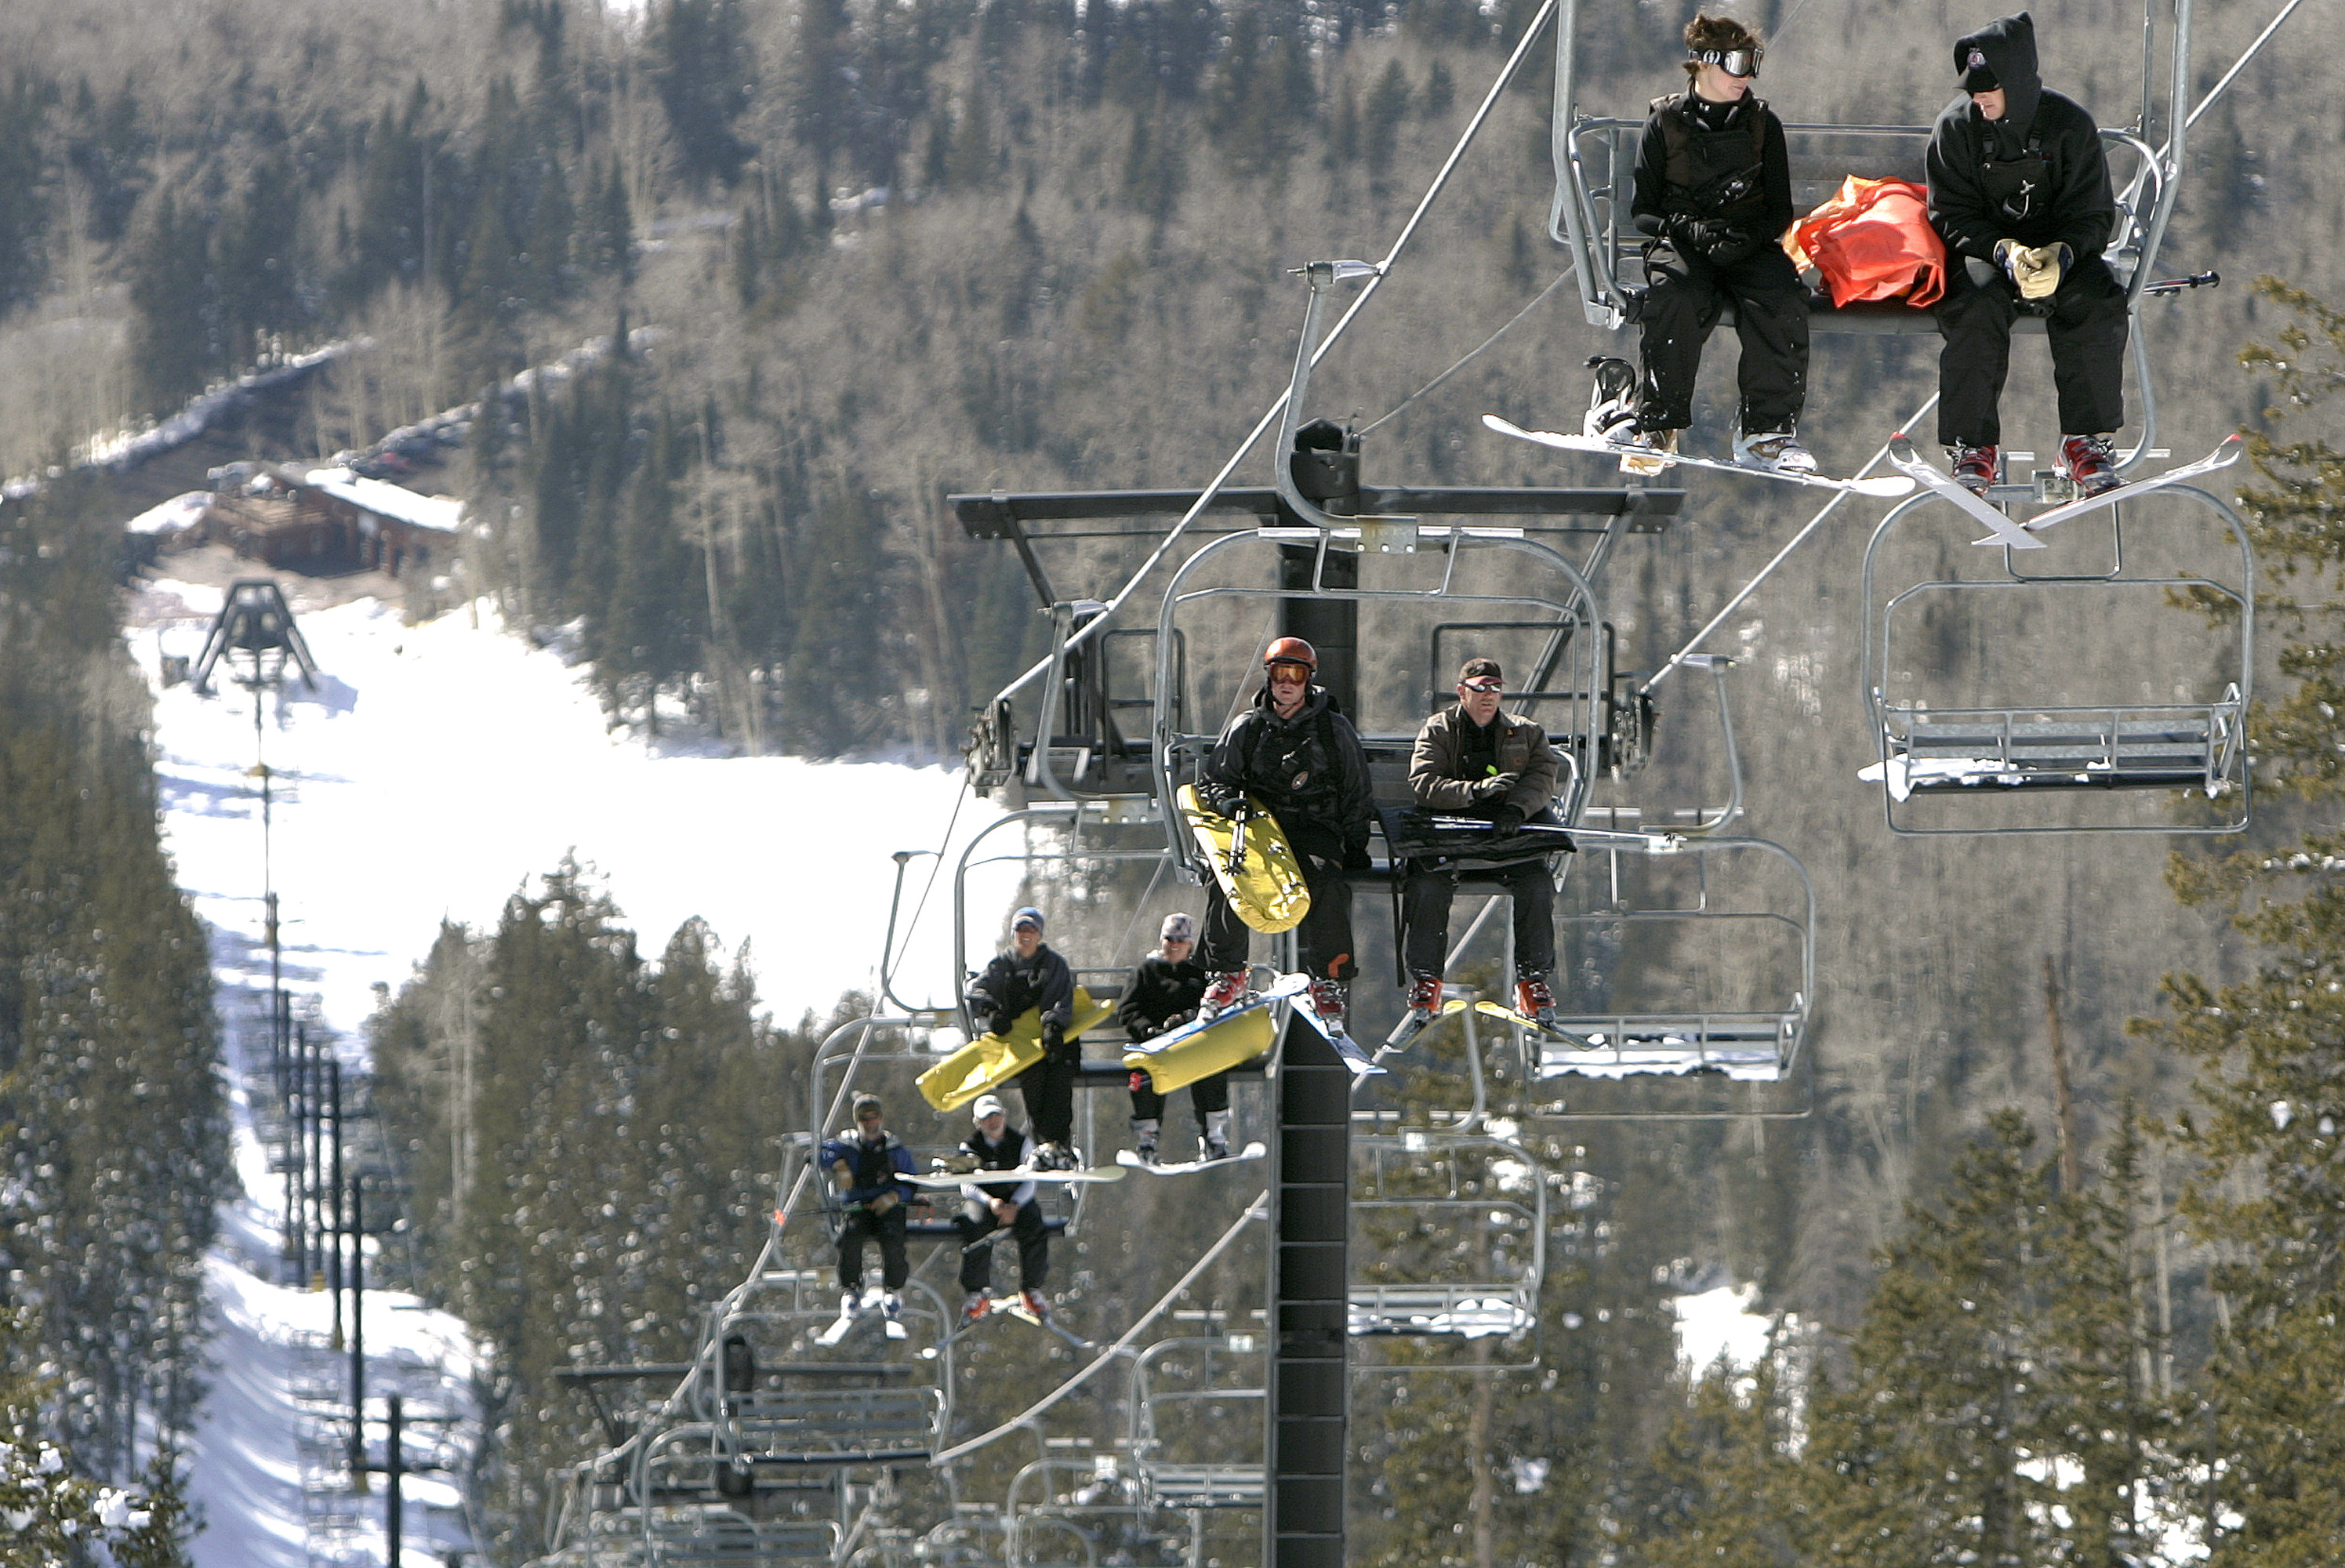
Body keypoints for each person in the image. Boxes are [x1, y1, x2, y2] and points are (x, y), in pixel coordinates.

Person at [1926, 12, 2128, 497]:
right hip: (1988, 254)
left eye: (1988, 88)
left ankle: (2084, 439)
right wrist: (2003, 250)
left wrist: (2063, 253)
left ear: (2015, 83)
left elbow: (2093, 212)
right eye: (1972, 89)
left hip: (2062, 253)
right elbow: (1949, 212)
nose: (1978, 97)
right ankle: (1972, 445)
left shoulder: (2069, 126)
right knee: (1974, 306)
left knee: (2097, 302)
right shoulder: (1956, 130)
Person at [1619, 13, 1813, 477]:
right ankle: (1659, 421)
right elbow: (1644, 210)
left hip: (1747, 241)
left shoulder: (1764, 126)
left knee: (1780, 298)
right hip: (1687, 241)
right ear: (1703, 64)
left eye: (1751, 66)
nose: (1744, 78)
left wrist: (1748, 237)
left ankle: (1766, 430)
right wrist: (1688, 228)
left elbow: (1779, 208)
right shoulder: (1665, 122)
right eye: (1735, 65)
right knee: (1676, 296)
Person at [1194, 637, 1374, 1035]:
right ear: (1270, 677)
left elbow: (1356, 789)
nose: (1287, 683)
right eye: (1280, 674)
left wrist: (1355, 843)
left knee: (1325, 883)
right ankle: (1227, 973)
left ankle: (1327, 979)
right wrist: (1227, 804)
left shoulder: (1333, 729)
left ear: (1308, 680)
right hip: (1262, 829)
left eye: (1296, 675)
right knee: (1226, 879)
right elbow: (1214, 781)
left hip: (1315, 828)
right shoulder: (1248, 728)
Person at [1401, 659, 1565, 1024]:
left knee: (1537, 884)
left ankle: (1532, 980)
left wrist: (1517, 810)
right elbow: (1424, 784)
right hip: (1450, 834)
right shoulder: (1439, 730)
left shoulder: (1526, 732)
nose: (1488, 696)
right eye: (1480, 688)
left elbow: (1542, 778)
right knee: (1427, 886)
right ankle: (1427, 980)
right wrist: (1474, 791)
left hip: (1505, 835)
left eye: (1495, 688)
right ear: (1462, 692)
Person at [966, 906, 1082, 1169]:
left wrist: (1053, 1026)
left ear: (1040, 935)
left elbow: (1063, 999)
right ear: (1014, 934)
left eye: (1032, 930)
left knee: (1060, 1086)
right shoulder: (1002, 965)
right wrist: (992, 1011)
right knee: (1034, 1085)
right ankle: (1044, 1144)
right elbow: (978, 991)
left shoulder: (1054, 964)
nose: (1026, 935)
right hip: (1021, 1045)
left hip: (1055, 1039)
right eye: (1021, 929)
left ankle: (1061, 1144)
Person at [1116, 913, 1231, 1163]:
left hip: (1191, 1044)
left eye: (1181, 939)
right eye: (1169, 939)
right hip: (1155, 1045)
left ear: (1190, 943)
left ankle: (1213, 1134)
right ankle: (1147, 1136)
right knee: (1141, 1073)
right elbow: (1128, 1009)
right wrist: (1147, 1030)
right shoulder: (1146, 972)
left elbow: (1215, 1005)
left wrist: (1189, 1019)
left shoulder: (1200, 974)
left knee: (1212, 1066)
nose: (1174, 945)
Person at [819, 1092, 917, 1334]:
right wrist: (839, 1165)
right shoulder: (847, 1145)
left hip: (887, 1206)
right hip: (858, 1206)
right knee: (850, 1237)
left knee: (893, 1238)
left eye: (874, 1119)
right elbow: (816, 1153)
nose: (870, 1124)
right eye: (864, 1119)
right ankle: (851, 1289)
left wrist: (894, 1197)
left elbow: (911, 1182)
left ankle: (893, 1291)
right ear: (858, 1121)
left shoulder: (894, 1148)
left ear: (881, 1119)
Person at [952, 1094, 1052, 1323]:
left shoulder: (1022, 1142)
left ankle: (1031, 1290)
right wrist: (990, 1202)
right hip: (985, 1201)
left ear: (1004, 1117)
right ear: (978, 1122)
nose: (993, 1121)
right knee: (974, 1228)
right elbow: (966, 1184)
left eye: (997, 1115)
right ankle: (977, 1294)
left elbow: (1031, 1178)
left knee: (1035, 1226)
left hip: (1017, 1199)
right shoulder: (969, 1147)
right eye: (987, 1118)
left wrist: (1014, 1204)